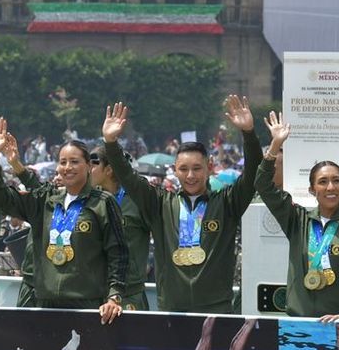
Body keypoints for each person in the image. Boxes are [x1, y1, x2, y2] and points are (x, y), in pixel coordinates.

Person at [102, 97, 263, 313]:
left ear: (210, 167)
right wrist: (111, 144)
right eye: (183, 169)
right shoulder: (159, 204)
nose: (190, 175)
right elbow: (128, 177)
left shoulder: (227, 203)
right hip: (172, 312)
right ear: (175, 170)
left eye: (197, 168)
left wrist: (249, 134)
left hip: (216, 311)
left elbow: (253, 172)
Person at [0, 118, 127, 323]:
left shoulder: (103, 203)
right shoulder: (45, 201)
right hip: (45, 305)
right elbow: (1, 198)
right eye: (63, 162)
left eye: (75, 162)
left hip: (87, 306)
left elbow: (118, 252)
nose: (68, 167)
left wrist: (114, 296)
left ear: (88, 166)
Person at [255, 112, 339, 321]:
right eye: (323, 182)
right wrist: (275, 146)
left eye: (336, 181)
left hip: (338, 324)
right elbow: (263, 186)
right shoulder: (297, 219)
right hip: (298, 323)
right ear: (312, 189)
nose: (330, 187)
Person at [89, 142, 152, 310]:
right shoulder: (90, 201)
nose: (88, 169)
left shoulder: (137, 201)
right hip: (95, 292)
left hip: (129, 293)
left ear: (108, 170)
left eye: (93, 165)